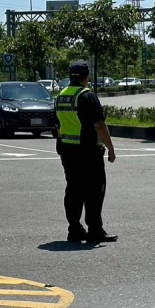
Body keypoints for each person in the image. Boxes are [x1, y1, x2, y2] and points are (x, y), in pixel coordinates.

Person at [55, 60, 118, 244]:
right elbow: (99, 125)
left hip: (67, 151)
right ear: (86, 76)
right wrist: (111, 148)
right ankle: (94, 230)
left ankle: (74, 229)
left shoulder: (61, 96)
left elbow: (57, 126)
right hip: (88, 152)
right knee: (94, 191)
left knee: (73, 189)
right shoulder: (87, 96)